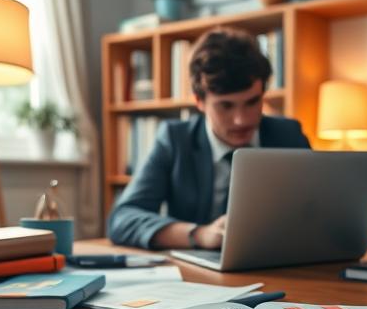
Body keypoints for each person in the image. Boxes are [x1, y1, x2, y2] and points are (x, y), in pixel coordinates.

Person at [108, 27, 311, 250]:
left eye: (252, 102)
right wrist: (198, 235)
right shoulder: (175, 140)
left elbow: (320, 210)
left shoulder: (289, 135)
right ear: (199, 101)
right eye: (226, 105)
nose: (241, 120)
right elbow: (122, 218)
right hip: (199, 274)